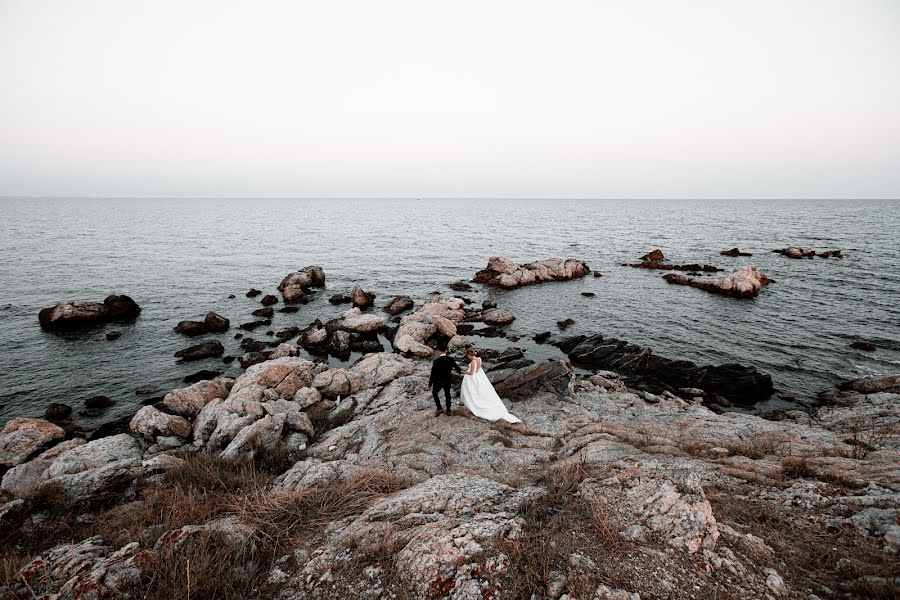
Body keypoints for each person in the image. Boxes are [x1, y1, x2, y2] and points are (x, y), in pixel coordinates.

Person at [460, 348, 522, 423]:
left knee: (472, 392)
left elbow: (471, 373)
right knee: (481, 391)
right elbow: (478, 369)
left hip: (474, 378)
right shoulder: (479, 359)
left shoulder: (473, 362)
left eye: (468, 356)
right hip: (480, 376)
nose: (468, 357)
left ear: (469, 355)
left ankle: (471, 403)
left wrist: (462, 371)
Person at [428, 345, 461, 416]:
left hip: (438, 381)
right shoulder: (451, 359)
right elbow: (458, 369)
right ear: (446, 351)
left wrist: (430, 383)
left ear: (439, 352)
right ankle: (448, 410)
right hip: (447, 380)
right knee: (447, 395)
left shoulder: (436, 361)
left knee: (434, 393)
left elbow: (433, 373)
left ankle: (439, 408)